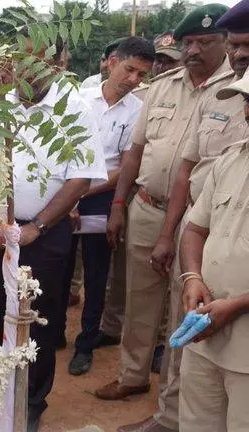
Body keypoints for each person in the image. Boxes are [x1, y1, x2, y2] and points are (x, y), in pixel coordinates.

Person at [0, 33, 107, 429]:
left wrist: (37, 225)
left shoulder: (75, 108)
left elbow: (81, 176)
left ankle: (33, 399)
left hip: (43, 233)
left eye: (37, 62)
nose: (26, 70)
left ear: (58, 63)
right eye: (20, 59)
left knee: (38, 317)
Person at [96, 2, 232, 421]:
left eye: (204, 42)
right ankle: (132, 374)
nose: (193, 50)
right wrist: (118, 206)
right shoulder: (161, 86)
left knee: (183, 307)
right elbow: (135, 154)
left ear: (225, 42)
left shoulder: (236, 88)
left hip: (201, 222)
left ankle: (171, 409)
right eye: (188, 42)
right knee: (139, 300)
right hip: (147, 207)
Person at [65, 37, 155, 376]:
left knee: (96, 271)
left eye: (141, 75)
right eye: (129, 69)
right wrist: (67, 196)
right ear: (111, 61)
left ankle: (85, 343)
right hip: (64, 191)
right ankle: (54, 333)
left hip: (101, 195)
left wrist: (80, 195)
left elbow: (123, 169)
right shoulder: (78, 99)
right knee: (60, 269)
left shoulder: (137, 112)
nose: (133, 80)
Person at [176, 57, 249, 432]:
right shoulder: (230, 160)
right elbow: (195, 228)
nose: (247, 111)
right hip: (205, 336)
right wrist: (192, 277)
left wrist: (235, 305)